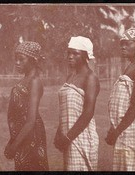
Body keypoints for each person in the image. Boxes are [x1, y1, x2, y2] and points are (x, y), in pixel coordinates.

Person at [105, 28, 135, 171]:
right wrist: (115, 128)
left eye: (127, 43)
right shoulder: (131, 66)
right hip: (125, 127)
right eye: (122, 44)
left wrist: (116, 131)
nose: (123, 47)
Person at [54, 36, 100, 171]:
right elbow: (66, 110)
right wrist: (59, 133)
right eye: (69, 53)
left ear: (86, 56)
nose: (70, 56)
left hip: (82, 136)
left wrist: (67, 138)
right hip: (68, 136)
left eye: (75, 53)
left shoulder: (90, 78)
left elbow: (88, 113)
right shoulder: (71, 77)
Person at [4, 41, 49, 171]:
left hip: (31, 135)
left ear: (33, 60)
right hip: (22, 136)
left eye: (21, 59)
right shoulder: (25, 80)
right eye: (16, 59)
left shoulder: (34, 81)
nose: (17, 63)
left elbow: (30, 120)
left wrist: (14, 145)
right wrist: (13, 141)